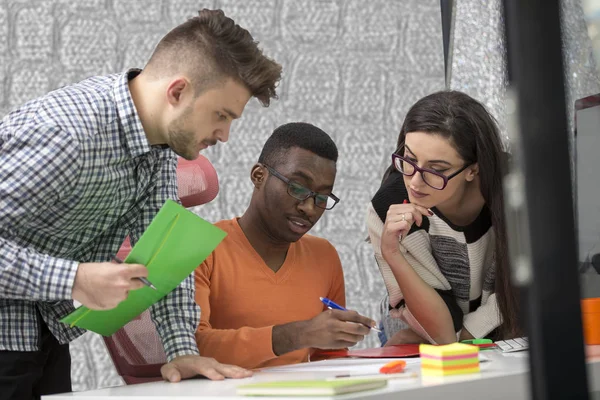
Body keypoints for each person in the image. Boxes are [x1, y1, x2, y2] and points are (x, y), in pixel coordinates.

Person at [0, 9, 281, 399]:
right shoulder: (65, 137)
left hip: (40, 338)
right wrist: (75, 280)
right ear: (178, 92)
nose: (225, 134)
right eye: (221, 115)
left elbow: (163, 259)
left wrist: (181, 349)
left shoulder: (160, 147)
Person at [194, 122, 377, 369]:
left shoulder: (324, 255)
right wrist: (297, 335)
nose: (309, 208)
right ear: (259, 176)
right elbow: (192, 349)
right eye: (297, 188)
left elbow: (329, 359)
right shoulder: (202, 247)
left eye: (321, 198)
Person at [366, 91, 520, 346]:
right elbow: (442, 332)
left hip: (502, 330)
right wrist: (392, 252)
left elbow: (522, 288)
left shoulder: (515, 190)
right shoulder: (388, 207)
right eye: (410, 160)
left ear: (473, 170)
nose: (415, 182)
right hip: (426, 330)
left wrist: (465, 338)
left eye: (436, 170)